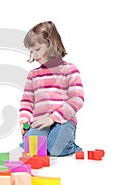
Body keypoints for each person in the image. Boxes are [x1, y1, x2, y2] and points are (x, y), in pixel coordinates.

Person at [19, 21, 84, 156]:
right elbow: (26, 101)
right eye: (31, 51)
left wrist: (53, 118)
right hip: (41, 121)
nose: (34, 55)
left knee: (55, 150)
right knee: (32, 150)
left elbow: (77, 99)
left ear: (51, 44)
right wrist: (24, 119)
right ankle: (44, 141)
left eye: (37, 49)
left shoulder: (69, 70)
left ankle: (70, 146)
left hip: (64, 120)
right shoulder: (33, 75)